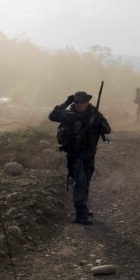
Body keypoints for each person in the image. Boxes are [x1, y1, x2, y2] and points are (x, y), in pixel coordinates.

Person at [48, 91, 111, 225]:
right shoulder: (69, 114)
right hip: (75, 154)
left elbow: (107, 129)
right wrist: (66, 103)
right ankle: (79, 214)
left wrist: (99, 125)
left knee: (86, 181)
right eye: (77, 102)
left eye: (82, 102)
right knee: (80, 182)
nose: (80, 104)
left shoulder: (94, 114)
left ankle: (83, 206)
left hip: (89, 154)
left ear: (87, 101)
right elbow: (52, 116)